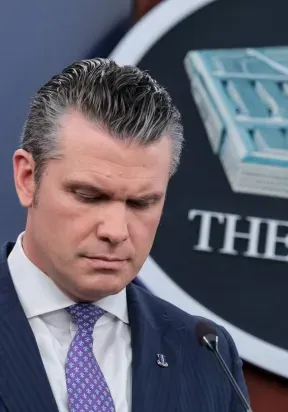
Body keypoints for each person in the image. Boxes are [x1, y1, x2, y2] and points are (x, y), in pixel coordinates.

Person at [0, 58, 249, 412]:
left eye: (141, 203)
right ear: (27, 179)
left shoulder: (206, 355)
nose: (115, 231)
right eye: (88, 196)